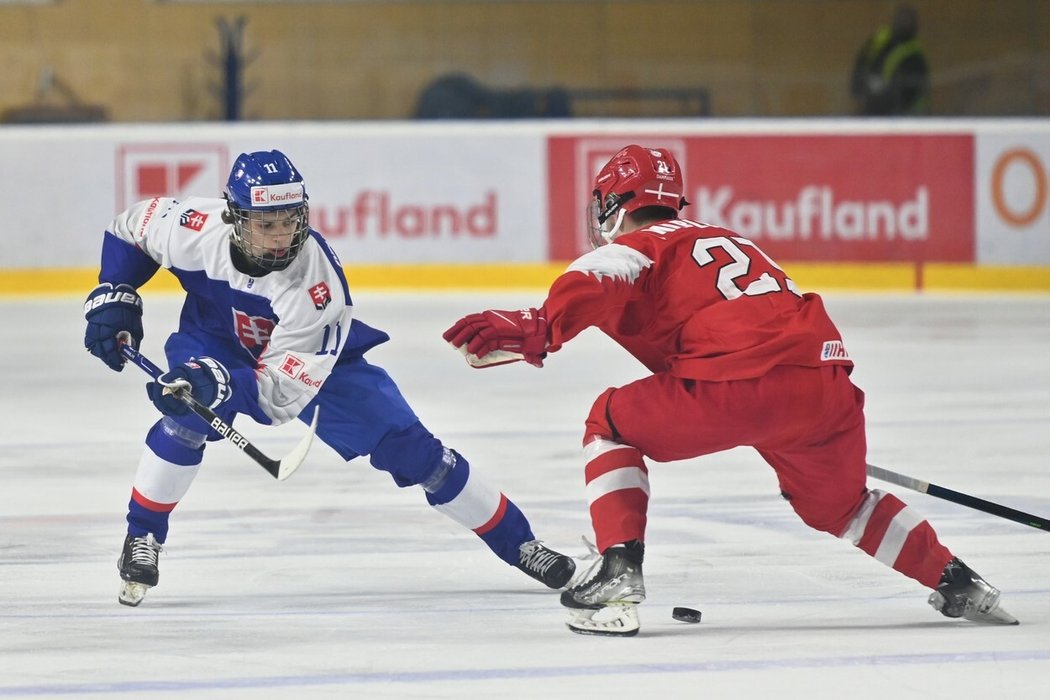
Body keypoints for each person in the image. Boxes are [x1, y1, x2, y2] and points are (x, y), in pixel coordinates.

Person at [443, 144, 1017, 636]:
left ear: (613, 205)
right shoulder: (726, 237)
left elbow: (602, 271)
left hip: (739, 386)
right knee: (841, 505)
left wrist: (542, 324)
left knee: (608, 422)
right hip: (824, 386)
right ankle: (957, 580)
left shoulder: (644, 244)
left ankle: (619, 573)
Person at [83, 149, 578, 607]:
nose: (281, 237)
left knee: (419, 455)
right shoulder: (194, 226)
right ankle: (143, 534)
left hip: (314, 367)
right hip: (213, 340)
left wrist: (224, 382)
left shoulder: (316, 285)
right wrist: (114, 292)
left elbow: (279, 394)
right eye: (266, 223)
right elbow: (130, 230)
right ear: (234, 217)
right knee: (186, 421)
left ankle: (520, 543)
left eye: (289, 221)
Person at [849, 3, 930, 116]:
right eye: (902, 19)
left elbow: (911, 88)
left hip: (894, 112)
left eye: (908, 20)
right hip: (869, 103)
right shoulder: (880, 37)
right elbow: (862, 62)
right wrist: (857, 90)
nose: (904, 23)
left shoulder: (915, 54)